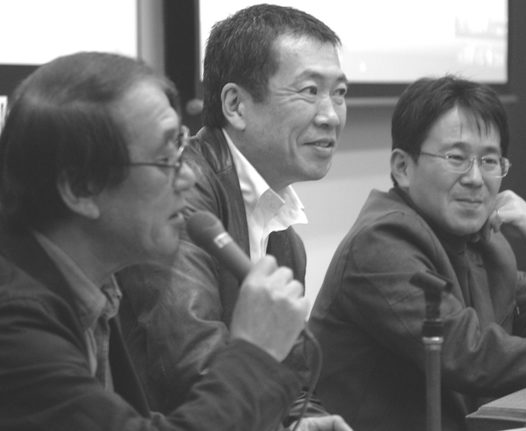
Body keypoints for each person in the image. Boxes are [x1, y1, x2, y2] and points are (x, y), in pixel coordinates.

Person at [0, 51, 313, 431]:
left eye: (180, 148)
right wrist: (254, 354)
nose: (186, 177)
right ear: (80, 188)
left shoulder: (92, 280)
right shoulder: (14, 322)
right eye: (165, 160)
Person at [117, 4, 351, 430]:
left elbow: (290, 381)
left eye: (339, 93)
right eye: (309, 91)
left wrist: (302, 423)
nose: (330, 115)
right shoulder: (177, 202)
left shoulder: (282, 231)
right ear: (235, 105)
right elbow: (192, 374)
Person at [308, 75, 526, 431]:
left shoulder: (486, 242)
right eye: (456, 157)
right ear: (402, 168)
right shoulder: (381, 241)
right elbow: (469, 354)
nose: (475, 178)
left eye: (489, 160)